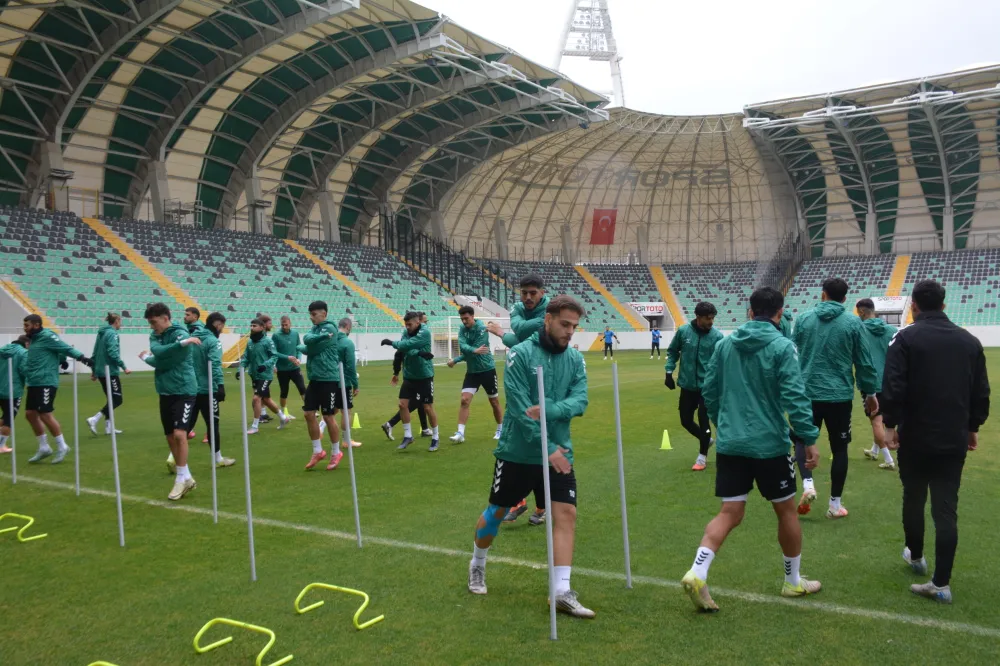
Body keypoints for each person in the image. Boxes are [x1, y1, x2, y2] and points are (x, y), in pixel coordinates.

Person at [682, 287, 822, 612]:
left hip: (731, 443)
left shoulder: (724, 344)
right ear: (779, 313)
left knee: (729, 512)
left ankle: (697, 571)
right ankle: (792, 581)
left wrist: (723, 422)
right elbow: (795, 395)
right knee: (786, 511)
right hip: (769, 444)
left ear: (749, 311)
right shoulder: (782, 346)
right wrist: (808, 437)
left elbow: (709, 389)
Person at [467, 295, 593, 617]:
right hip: (518, 453)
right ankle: (477, 563)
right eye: (565, 324)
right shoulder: (520, 355)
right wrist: (547, 447)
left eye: (574, 326)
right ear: (548, 320)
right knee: (497, 512)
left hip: (560, 451)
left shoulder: (575, 359)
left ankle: (561, 591)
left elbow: (580, 400)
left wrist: (551, 409)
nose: (570, 332)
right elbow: (521, 410)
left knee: (566, 514)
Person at [882, 280, 990, 604]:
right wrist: (972, 427)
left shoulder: (905, 338)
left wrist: (890, 425)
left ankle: (916, 556)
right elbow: (980, 392)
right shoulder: (969, 341)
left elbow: (893, 386)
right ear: (944, 305)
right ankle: (941, 582)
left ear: (913, 305)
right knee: (945, 508)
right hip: (952, 436)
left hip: (915, 435)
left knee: (914, 497)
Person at [792, 277, 879, 518]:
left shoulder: (804, 319)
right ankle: (834, 505)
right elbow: (864, 361)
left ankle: (808, 484)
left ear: (823, 294)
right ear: (844, 299)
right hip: (838, 396)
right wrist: (870, 393)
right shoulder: (853, 322)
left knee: (802, 439)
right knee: (840, 448)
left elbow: (792, 352)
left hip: (807, 392)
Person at [486, 274, 549, 524]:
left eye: (533, 292)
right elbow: (521, 340)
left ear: (543, 292)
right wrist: (510, 335)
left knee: (539, 449)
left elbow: (520, 332)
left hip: (542, 382)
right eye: (524, 293)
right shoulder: (518, 307)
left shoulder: (550, 312)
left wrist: (502, 333)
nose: (528, 297)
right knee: (517, 444)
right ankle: (519, 500)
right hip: (520, 380)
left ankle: (541, 507)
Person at [139, 303, 201, 500]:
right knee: (169, 436)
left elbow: (166, 359)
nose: (152, 326)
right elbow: (159, 353)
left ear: (165, 318)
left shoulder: (180, 332)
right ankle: (187, 476)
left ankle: (180, 479)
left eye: (154, 322)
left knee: (180, 434)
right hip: (165, 390)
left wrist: (148, 358)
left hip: (184, 389)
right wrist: (177, 346)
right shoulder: (156, 336)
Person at [22, 314, 92, 464]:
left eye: (27, 325)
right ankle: (44, 447)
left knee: (45, 414)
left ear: (36, 325)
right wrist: (61, 360)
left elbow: (64, 348)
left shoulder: (47, 335)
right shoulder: (34, 339)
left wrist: (83, 358)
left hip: (46, 381)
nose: (24, 328)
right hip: (34, 382)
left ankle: (62, 446)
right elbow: (52, 351)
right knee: (30, 414)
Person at [665, 302, 724, 471]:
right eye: (708, 318)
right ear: (698, 317)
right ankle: (707, 440)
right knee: (685, 421)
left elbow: (722, 362)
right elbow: (673, 351)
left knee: (704, 421)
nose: (711, 321)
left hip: (708, 387)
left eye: (712, 318)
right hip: (687, 385)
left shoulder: (717, 337)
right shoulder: (684, 332)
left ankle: (702, 457)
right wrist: (668, 372)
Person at [299, 301, 348, 470]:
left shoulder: (330, 329)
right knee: (308, 414)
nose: (311, 317)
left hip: (328, 378)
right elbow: (307, 340)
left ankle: (336, 452)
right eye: (310, 314)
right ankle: (317, 451)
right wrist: (306, 344)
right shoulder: (315, 330)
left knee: (328, 417)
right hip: (315, 378)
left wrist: (304, 347)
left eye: (314, 314)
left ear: (324, 314)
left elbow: (311, 349)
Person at [184, 308, 234, 467]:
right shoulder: (213, 341)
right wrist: (220, 385)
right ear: (217, 324)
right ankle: (218, 459)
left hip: (191, 388)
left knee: (187, 424)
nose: (222, 330)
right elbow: (215, 364)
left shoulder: (193, 339)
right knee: (213, 424)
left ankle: (173, 457)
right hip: (208, 390)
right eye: (222, 326)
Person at [382, 312, 439, 451]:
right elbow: (404, 348)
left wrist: (392, 343)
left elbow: (408, 345)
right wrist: (418, 352)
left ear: (417, 322)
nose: (407, 327)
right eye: (406, 324)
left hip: (424, 375)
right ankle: (408, 436)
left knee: (427, 407)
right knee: (402, 405)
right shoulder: (405, 332)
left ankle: (435, 437)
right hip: (409, 375)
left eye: (409, 324)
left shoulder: (425, 332)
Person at [447, 306, 503, 443]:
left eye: (466, 318)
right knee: (464, 400)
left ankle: (500, 429)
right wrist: (471, 350)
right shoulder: (462, 329)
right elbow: (464, 347)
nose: (464, 321)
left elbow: (476, 351)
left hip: (487, 369)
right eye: (462, 319)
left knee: (494, 402)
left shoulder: (482, 329)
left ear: (473, 316)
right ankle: (460, 433)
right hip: (472, 372)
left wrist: (456, 359)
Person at [855, 298, 898, 470]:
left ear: (862, 312)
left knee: (876, 421)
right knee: (881, 418)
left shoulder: (860, 331)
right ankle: (874, 450)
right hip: (891, 381)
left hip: (871, 381)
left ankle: (888, 459)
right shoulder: (892, 330)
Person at [243, 318, 290, 434]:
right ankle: (283, 417)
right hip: (254, 374)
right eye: (251, 326)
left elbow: (274, 356)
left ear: (262, 327)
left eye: (254, 326)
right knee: (266, 399)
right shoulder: (250, 342)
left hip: (265, 375)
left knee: (256, 398)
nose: (252, 328)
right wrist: (241, 368)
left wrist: (265, 365)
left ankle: (255, 426)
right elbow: (246, 357)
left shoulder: (268, 341)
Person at [86, 312, 130, 436]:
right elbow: (113, 353)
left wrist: (94, 371)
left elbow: (94, 353)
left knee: (111, 399)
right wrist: (124, 366)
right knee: (117, 399)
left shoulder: (101, 333)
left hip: (101, 371)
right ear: (116, 321)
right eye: (120, 322)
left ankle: (109, 427)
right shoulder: (112, 334)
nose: (121, 324)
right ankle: (94, 419)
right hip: (110, 371)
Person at [0, 335, 29, 454]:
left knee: (5, 416)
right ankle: (1, 446)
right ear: (27, 343)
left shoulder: (2, 349)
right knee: (9, 419)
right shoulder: (23, 353)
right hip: (13, 390)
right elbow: (24, 370)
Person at [273, 315, 306, 421]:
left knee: (302, 388)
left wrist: (299, 358)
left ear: (290, 324)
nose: (284, 326)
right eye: (282, 325)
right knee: (284, 391)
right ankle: (284, 413)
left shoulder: (295, 334)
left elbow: (298, 347)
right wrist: (287, 357)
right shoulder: (276, 335)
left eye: (286, 324)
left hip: (294, 368)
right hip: (282, 369)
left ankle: (309, 410)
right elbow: (274, 352)